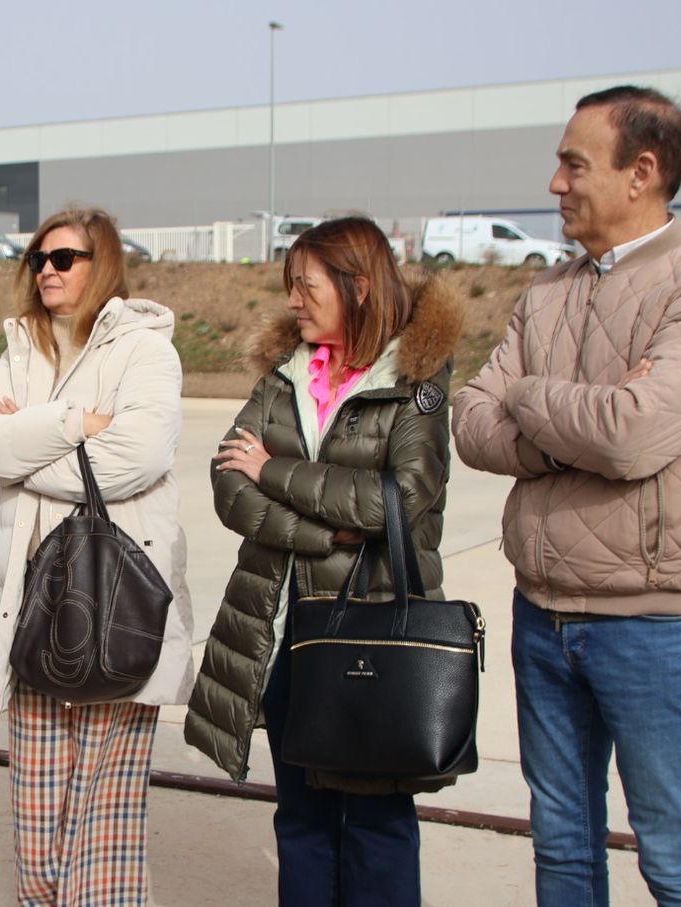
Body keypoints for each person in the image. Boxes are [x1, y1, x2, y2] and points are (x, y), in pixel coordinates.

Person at [452, 85, 681, 906]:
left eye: (573, 163)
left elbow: (630, 433)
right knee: (562, 847)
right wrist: (564, 414)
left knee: (676, 856)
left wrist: (529, 397)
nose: (555, 182)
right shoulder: (545, 293)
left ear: (642, 172)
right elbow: (472, 422)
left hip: (655, 625)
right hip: (543, 615)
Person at [184, 216, 464, 907]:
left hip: (372, 637)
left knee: (376, 823)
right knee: (303, 819)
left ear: (359, 286)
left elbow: (396, 498)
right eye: (290, 286)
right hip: (282, 634)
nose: (293, 302)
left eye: (306, 286)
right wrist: (317, 535)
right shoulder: (282, 376)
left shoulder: (416, 381)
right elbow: (227, 481)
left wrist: (276, 469)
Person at [0, 206, 194, 906]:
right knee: (38, 809)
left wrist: (22, 452)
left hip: (118, 603)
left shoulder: (144, 348)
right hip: (34, 610)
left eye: (65, 258)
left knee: (103, 813)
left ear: (103, 265)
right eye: (39, 258)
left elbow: (132, 458)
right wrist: (66, 425)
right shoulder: (23, 345)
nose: (47, 270)